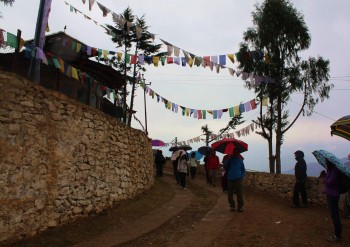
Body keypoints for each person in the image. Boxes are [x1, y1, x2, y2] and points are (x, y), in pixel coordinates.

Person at [319, 159, 342, 242]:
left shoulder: (334, 171)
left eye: (327, 162)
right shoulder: (331, 170)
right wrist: (325, 174)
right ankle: (337, 233)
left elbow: (329, 182)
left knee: (334, 215)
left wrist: (323, 177)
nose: (326, 164)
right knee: (333, 214)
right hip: (331, 194)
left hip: (333, 195)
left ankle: (337, 235)